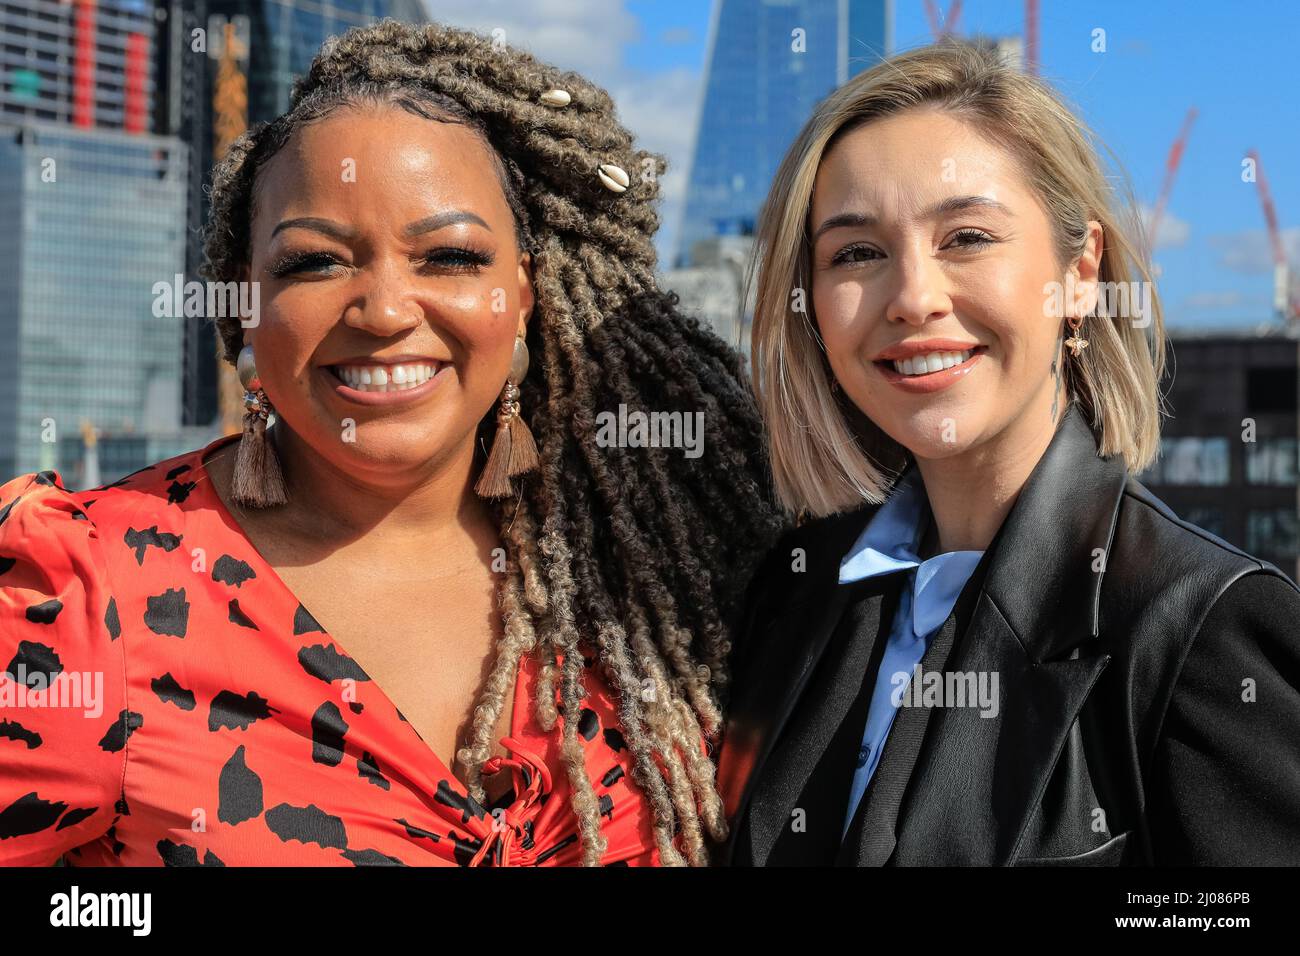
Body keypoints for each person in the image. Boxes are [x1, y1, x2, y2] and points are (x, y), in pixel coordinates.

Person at [0, 19, 780, 867]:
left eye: (447, 256)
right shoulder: (83, 589)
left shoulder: (652, 578)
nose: (384, 310)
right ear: (243, 307)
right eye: (313, 263)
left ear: (523, 297)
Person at [715, 39, 1300, 866]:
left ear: (1080, 272)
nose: (913, 297)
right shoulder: (796, 590)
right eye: (856, 253)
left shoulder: (1199, 626)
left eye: (967, 237)